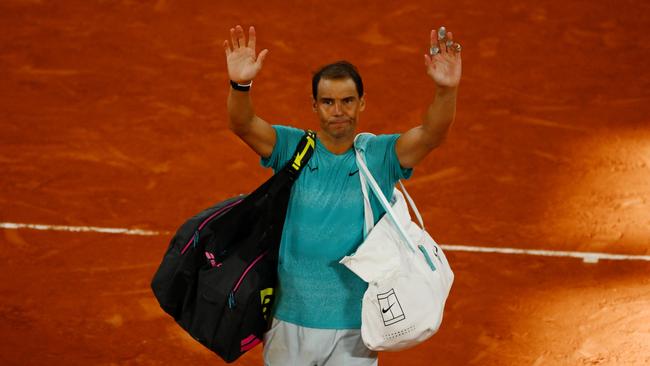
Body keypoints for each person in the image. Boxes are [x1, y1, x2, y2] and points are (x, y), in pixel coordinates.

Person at [223, 24, 461, 366]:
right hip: (288, 323)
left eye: (347, 101)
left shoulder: (380, 156)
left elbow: (431, 134)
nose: (338, 110)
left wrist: (446, 91)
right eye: (329, 102)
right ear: (315, 106)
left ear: (361, 103)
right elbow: (243, 124)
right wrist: (240, 85)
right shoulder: (292, 148)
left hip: (355, 330)